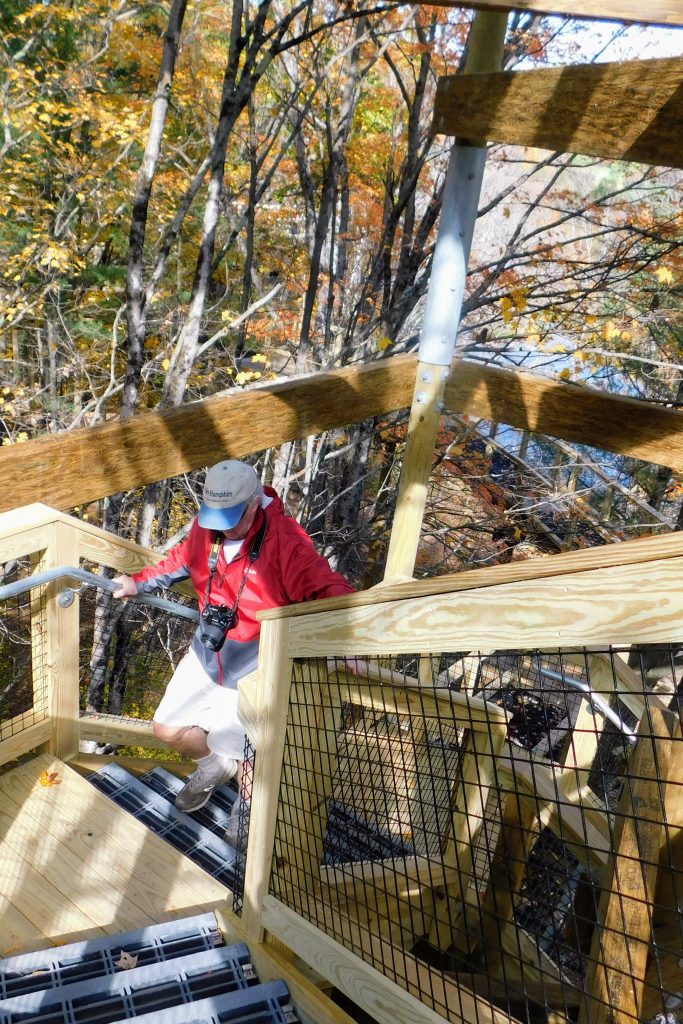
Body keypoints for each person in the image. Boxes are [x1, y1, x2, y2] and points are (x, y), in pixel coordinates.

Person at [113, 459, 354, 835]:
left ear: (255, 503)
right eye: (215, 517)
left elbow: (331, 588)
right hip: (208, 650)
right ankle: (211, 768)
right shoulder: (207, 525)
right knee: (167, 727)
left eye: (231, 518)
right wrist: (138, 582)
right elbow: (180, 561)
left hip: (255, 664)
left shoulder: (286, 543)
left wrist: (346, 636)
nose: (221, 528)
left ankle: (248, 811)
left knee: (246, 756)